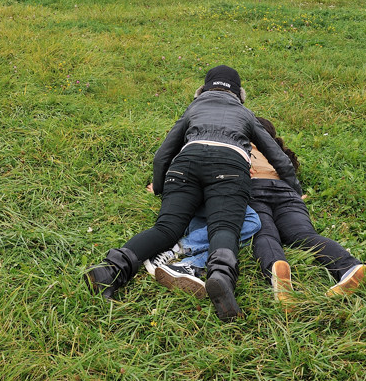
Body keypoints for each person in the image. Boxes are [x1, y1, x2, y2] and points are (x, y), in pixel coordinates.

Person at [85, 66, 302, 322]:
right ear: (240, 95)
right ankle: (220, 278)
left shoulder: (193, 109)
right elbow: (279, 158)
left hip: (185, 166)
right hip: (229, 167)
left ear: (202, 91)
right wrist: (295, 192)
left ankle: (110, 270)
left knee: (166, 228)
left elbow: (162, 156)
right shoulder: (245, 113)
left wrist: (160, 188)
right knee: (224, 227)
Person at [154, 116, 366, 307]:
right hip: (286, 192)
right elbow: (287, 170)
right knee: (305, 235)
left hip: (253, 191)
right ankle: (350, 267)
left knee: (264, 234)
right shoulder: (275, 153)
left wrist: (161, 184)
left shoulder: (233, 145)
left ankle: (277, 269)